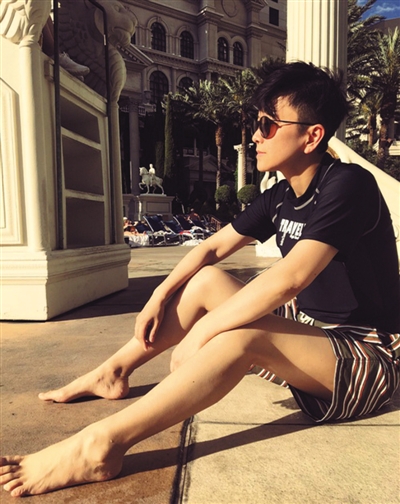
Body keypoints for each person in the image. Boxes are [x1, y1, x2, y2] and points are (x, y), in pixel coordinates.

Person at [1, 62, 399, 497]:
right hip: (312, 331)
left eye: (268, 125)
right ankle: (114, 371)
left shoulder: (348, 184)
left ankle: (101, 445)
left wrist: (204, 333)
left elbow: (292, 277)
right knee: (207, 279)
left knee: (239, 336)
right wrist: (159, 294)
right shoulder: (282, 194)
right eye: (256, 123)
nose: (255, 136)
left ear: (312, 136)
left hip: (369, 354)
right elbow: (210, 249)